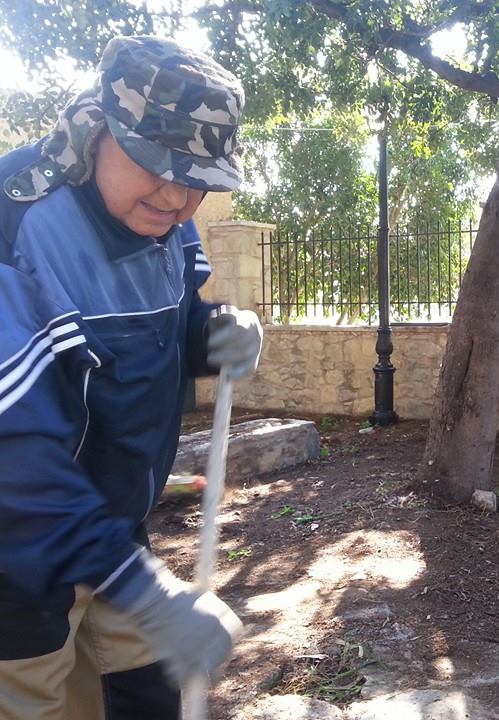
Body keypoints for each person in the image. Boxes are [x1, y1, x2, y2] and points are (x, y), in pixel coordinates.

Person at [0, 36, 263, 719]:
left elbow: (169, 326)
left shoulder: (164, 220)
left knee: (148, 698)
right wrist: (147, 594)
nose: (178, 196)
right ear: (98, 130)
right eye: (157, 164)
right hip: (19, 557)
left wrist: (212, 335)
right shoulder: (16, 230)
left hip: (112, 536)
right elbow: (16, 459)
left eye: (198, 178)